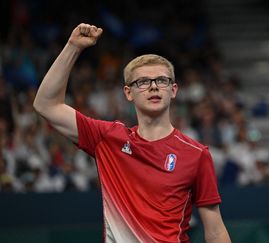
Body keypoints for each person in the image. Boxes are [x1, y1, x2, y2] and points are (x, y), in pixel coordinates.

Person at [33, 23, 231, 243]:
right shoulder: (107, 139)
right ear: (129, 93)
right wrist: (72, 47)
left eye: (162, 81)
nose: (153, 87)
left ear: (173, 90)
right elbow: (46, 105)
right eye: (143, 82)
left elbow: (215, 230)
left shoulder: (196, 154)